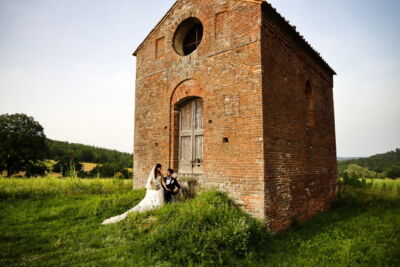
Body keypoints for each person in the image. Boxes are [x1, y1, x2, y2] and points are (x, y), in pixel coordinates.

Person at [101, 163, 166, 225]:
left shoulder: (161, 174)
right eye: (160, 168)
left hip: (160, 189)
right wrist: (153, 186)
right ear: (157, 168)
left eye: (161, 168)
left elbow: (162, 182)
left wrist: (165, 187)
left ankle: (159, 209)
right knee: (151, 200)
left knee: (159, 199)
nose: (160, 169)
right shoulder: (153, 175)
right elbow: (150, 182)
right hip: (153, 189)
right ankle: (153, 208)